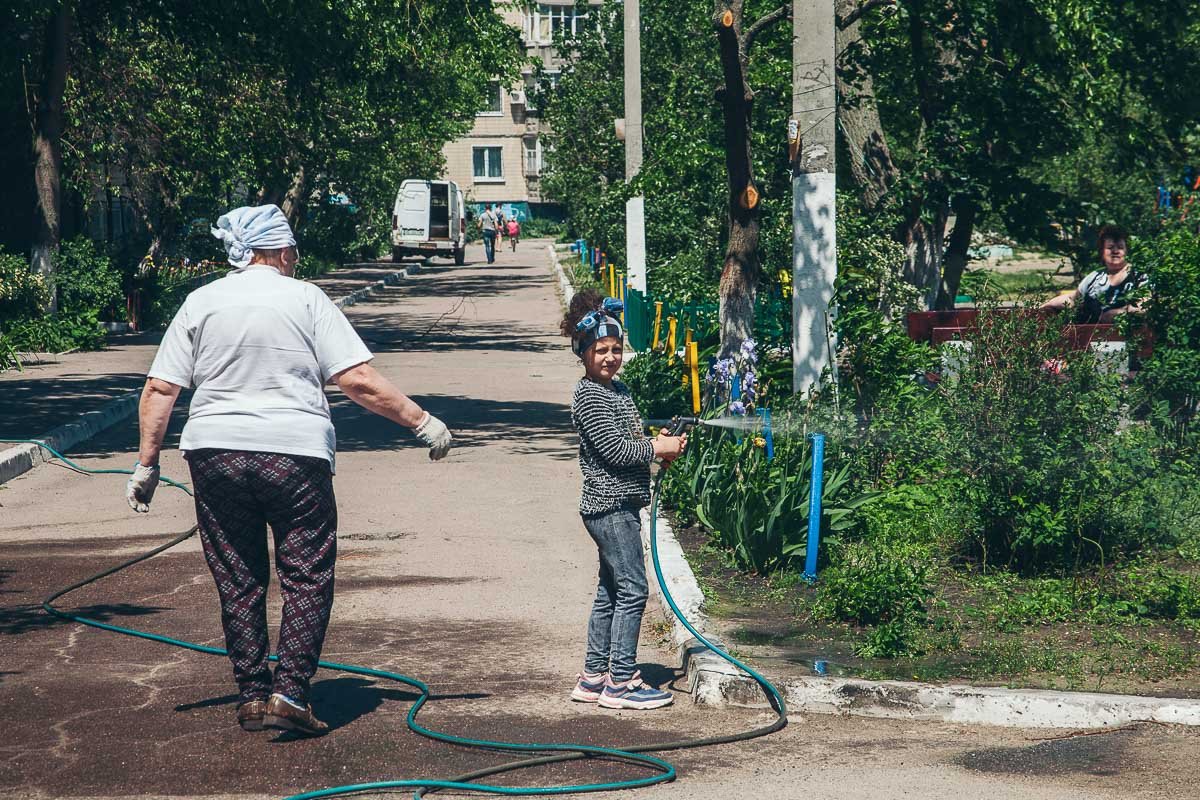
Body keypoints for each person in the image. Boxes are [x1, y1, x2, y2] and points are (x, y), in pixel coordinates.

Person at [125, 204, 452, 737]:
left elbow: (161, 388)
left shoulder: (201, 302)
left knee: (238, 577)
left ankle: (253, 694)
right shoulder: (306, 299)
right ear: (277, 251)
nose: (297, 260)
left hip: (216, 455)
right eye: (294, 252)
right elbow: (357, 379)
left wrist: (146, 465)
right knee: (306, 574)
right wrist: (423, 423)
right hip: (293, 456)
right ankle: (291, 692)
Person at [559, 289, 687, 710]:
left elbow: (629, 439)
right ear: (584, 353)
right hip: (610, 507)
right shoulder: (590, 396)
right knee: (633, 590)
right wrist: (657, 450)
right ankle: (622, 683)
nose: (610, 357)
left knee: (611, 591)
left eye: (615, 349)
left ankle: (594, 677)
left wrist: (657, 444)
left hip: (619, 504)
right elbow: (616, 450)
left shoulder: (618, 390)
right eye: (600, 350)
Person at [1041, 225, 1149, 323]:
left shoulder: (1138, 277)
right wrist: (1046, 305)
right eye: (1110, 248)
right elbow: (1072, 300)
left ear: (1127, 251)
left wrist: (1117, 314)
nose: (1115, 251)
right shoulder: (1093, 278)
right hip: (1093, 338)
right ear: (1102, 252)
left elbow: (1144, 307)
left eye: (1120, 247)